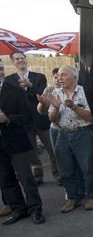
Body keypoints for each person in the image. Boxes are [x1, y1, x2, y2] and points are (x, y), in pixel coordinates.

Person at [47, 66, 93, 212]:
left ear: (74, 77)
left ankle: (91, 197)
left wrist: (74, 107)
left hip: (83, 133)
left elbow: (90, 116)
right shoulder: (56, 93)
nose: (60, 78)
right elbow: (52, 119)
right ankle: (73, 198)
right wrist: (56, 108)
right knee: (65, 169)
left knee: (87, 168)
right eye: (58, 75)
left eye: (64, 75)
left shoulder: (86, 92)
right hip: (63, 134)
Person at [0, 59, 45, 225]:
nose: (0, 72)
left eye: (1, 68)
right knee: (6, 179)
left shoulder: (15, 91)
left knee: (26, 178)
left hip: (17, 142)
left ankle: (36, 210)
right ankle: (19, 209)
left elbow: (26, 116)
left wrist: (8, 119)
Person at [5, 52, 59, 185]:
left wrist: (30, 86)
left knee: (52, 149)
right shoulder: (9, 80)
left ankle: (58, 175)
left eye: (22, 58)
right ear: (13, 62)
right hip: (24, 121)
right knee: (32, 152)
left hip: (41, 119)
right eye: (17, 59)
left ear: (26, 60)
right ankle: (37, 176)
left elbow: (42, 96)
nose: (20, 60)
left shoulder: (39, 77)